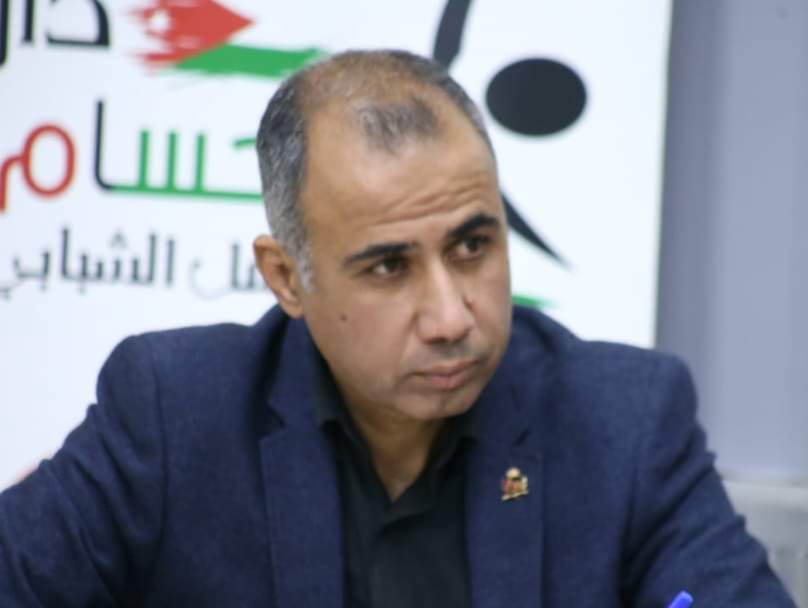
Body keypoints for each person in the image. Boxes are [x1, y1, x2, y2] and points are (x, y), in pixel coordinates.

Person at [0, 50, 796, 608]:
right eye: (388, 267)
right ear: (288, 278)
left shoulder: (624, 420)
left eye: (473, 245)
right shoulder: (174, 415)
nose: (452, 317)